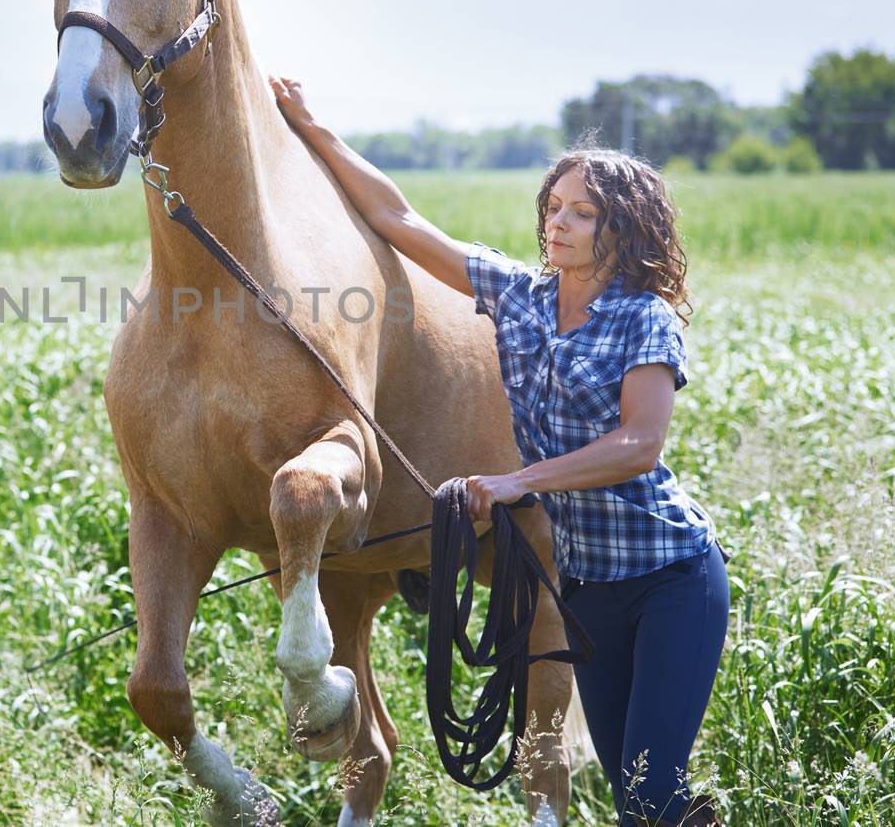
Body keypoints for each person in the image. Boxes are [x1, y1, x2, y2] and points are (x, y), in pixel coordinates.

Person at [269, 75, 729, 827]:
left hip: (671, 580)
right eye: (554, 207)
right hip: (587, 589)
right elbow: (398, 217)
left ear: (624, 229)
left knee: (650, 798)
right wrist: (313, 126)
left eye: (583, 213)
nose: (560, 223)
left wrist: (520, 482)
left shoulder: (644, 320)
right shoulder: (518, 294)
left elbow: (640, 446)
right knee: (632, 800)